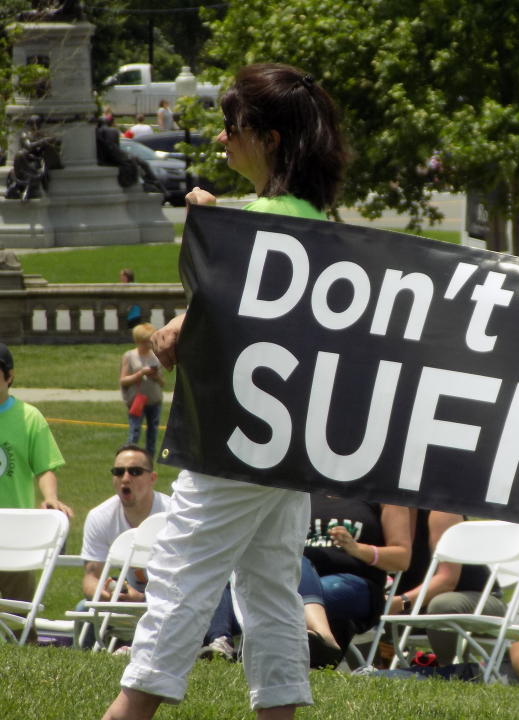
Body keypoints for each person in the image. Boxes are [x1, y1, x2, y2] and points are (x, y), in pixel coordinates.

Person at [101, 63, 348, 720]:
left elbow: (182, 341)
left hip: (235, 440)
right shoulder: (315, 222)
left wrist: (211, 244)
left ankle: (129, 709)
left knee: (181, 576)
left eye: (231, 127)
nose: (219, 141)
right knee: (271, 594)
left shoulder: (251, 228)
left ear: (266, 138)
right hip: (291, 444)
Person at [79, 444, 239, 658]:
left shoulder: (174, 513)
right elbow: (91, 577)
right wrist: (106, 593)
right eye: (118, 472)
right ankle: (86, 658)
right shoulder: (100, 517)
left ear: (152, 478)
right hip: (129, 595)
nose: (125, 478)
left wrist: (144, 597)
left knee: (214, 588)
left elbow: (191, 575)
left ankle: (217, 644)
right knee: (83, 608)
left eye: (135, 472)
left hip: (175, 594)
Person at [0, 342, 73, 613]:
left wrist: (50, 498)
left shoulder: (29, 418)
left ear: (10, 376)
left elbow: (44, 468)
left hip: (15, 536)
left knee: (19, 614)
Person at [299, 492, 411, 668]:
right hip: (301, 578)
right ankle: (320, 640)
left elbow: (402, 558)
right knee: (296, 562)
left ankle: (320, 638)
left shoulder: (384, 496)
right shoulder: (305, 492)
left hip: (356, 586)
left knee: (327, 591)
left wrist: (357, 548)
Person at [386, 509, 507, 666]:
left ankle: (452, 672)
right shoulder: (384, 509)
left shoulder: (440, 511)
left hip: (476, 599)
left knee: (443, 604)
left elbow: (447, 580)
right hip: (418, 603)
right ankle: (368, 669)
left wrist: (401, 602)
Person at [119, 323, 164, 458]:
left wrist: (154, 376)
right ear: (137, 341)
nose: (148, 345)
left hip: (154, 400)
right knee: (135, 432)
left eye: (150, 342)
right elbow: (123, 380)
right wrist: (140, 373)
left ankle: (149, 460)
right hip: (137, 401)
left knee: (153, 433)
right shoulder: (129, 356)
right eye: (145, 342)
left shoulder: (155, 356)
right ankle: (129, 458)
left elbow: (162, 382)